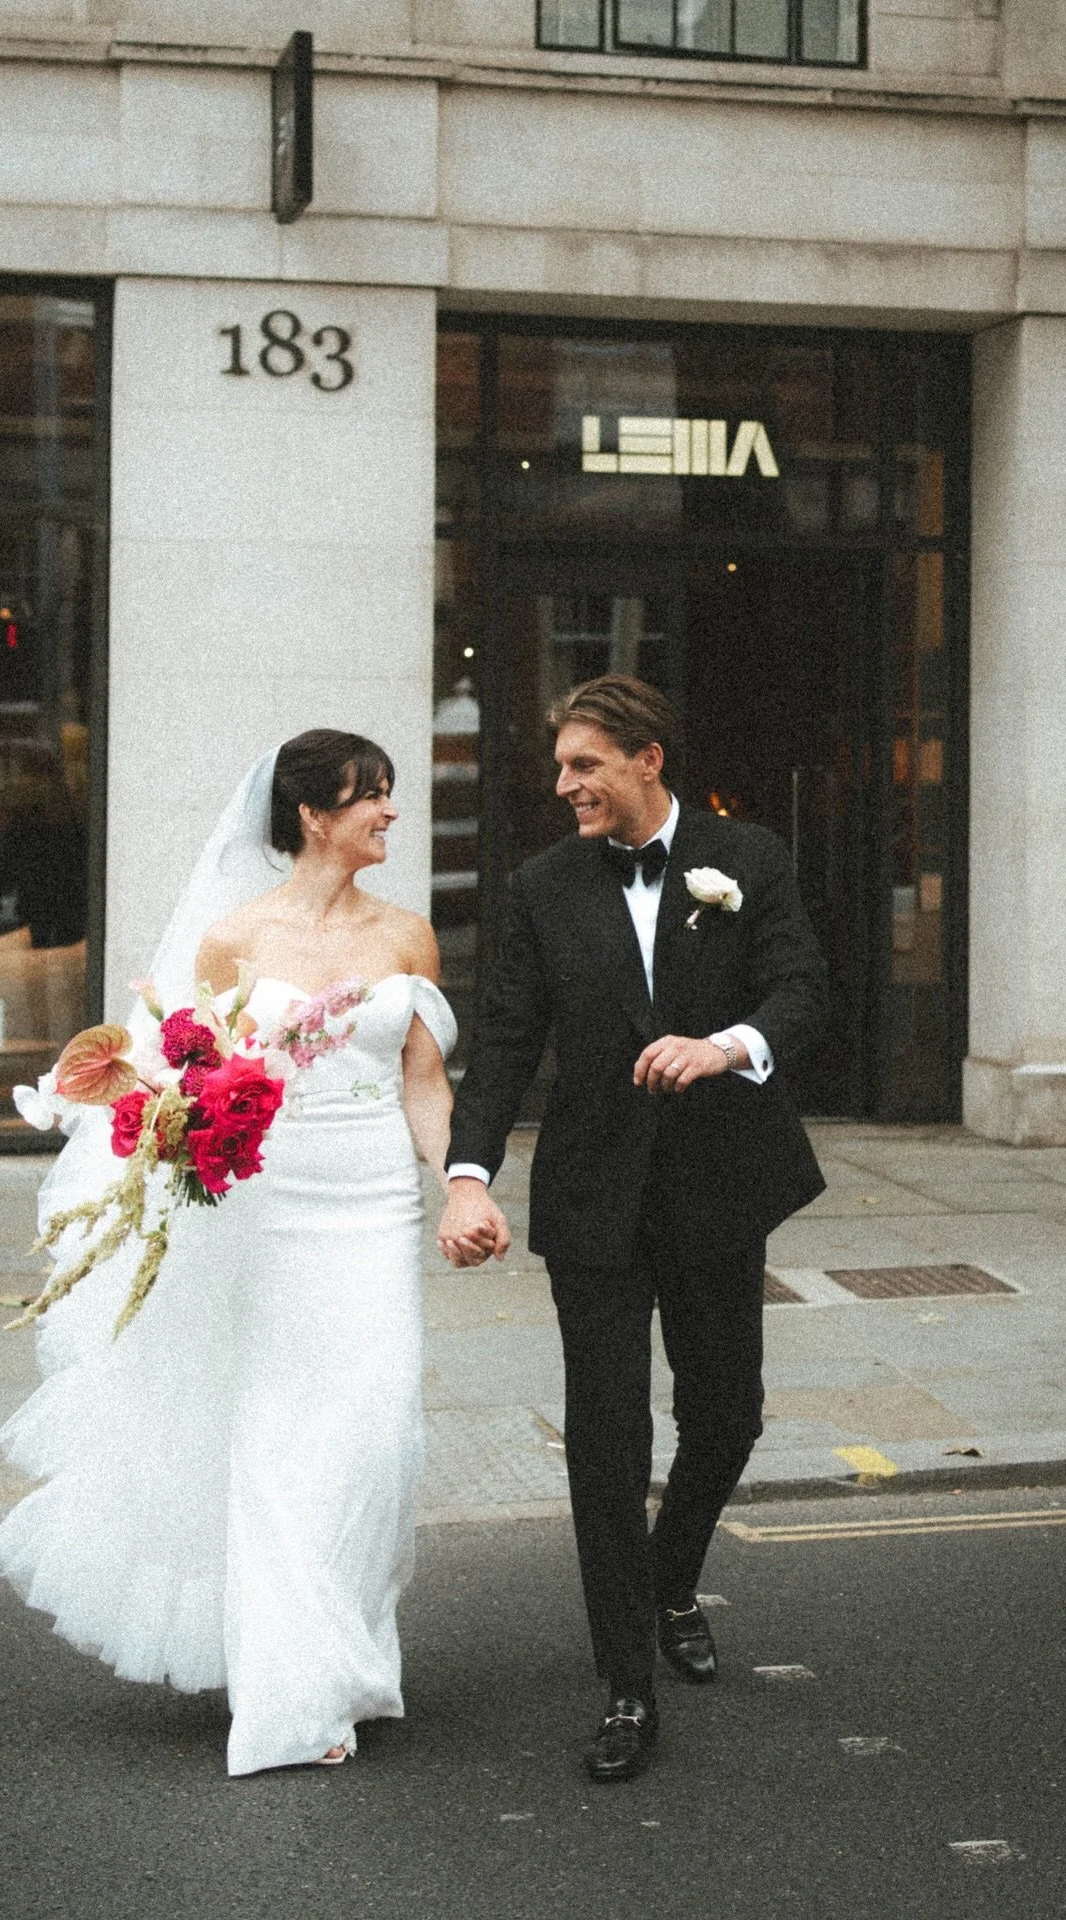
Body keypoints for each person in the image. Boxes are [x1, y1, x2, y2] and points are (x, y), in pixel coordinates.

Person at [0, 730, 458, 1776]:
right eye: (371, 796)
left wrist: (454, 1182)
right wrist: (180, 1135)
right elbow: (186, 1073)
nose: (390, 812)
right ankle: (298, 1690)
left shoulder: (409, 936)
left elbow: (424, 1078)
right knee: (288, 1436)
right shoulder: (230, 941)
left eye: (390, 794)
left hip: (373, 1204)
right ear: (311, 815)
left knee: (378, 1431)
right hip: (276, 1206)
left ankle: (353, 1650)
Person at [438, 674, 827, 1783]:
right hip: (596, 1195)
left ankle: (668, 1580)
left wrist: (727, 1044)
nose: (564, 786)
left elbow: (803, 989)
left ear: (647, 758)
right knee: (607, 1444)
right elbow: (507, 1040)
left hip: (718, 1187)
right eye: (560, 767)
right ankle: (625, 1684)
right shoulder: (543, 887)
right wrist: (470, 1175)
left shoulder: (746, 861)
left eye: (583, 765)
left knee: (727, 1418)